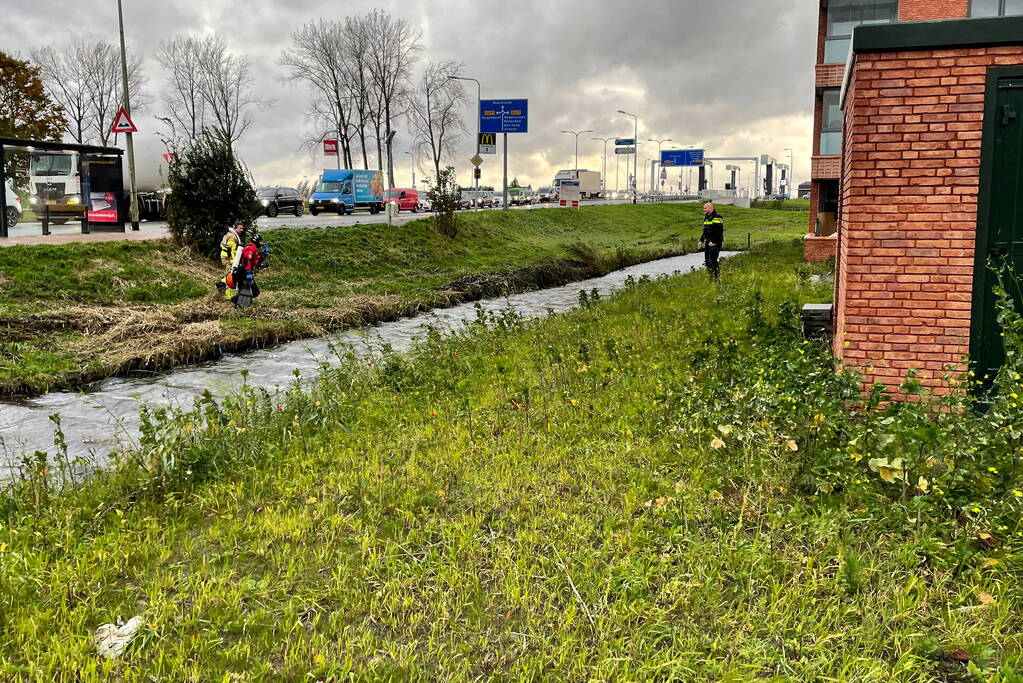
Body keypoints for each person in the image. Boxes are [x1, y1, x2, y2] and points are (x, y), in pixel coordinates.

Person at [231, 233, 267, 307]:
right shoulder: (250, 248)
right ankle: (238, 303)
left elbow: (256, 261)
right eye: (260, 241)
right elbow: (248, 259)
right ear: (256, 241)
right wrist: (248, 271)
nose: (261, 243)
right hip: (242, 272)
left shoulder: (254, 248)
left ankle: (241, 303)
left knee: (253, 291)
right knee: (246, 291)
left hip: (246, 272)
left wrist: (264, 255)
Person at [216, 222, 244, 299]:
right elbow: (232, 251)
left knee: (229, 276)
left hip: (225, 257)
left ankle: (221, 285)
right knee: (231, 277)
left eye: (242, 228)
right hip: (228, 259)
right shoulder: (233, 238)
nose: (242, 230)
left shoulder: (229, 234)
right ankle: (227, 296)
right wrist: (235, 263)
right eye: (240, 228)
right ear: (235, 227)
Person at [699, 201, 724, 279]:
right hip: (708, 241)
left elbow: (719, 231)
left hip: (715, 242)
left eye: (705, 208)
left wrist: (714, 241)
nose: (704, 210)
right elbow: (705, 231)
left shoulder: (717, 217)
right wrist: (701, 240)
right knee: (707, 261)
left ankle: (717, 277)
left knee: (712, 261)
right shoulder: (706, 218)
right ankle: (711, 277)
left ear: (710, 208)